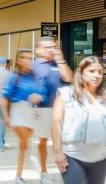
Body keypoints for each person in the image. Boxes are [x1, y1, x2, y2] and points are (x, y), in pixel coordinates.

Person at [52, 57, 106, 184]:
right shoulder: (66, 95)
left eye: (100, 72)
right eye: (92, 71)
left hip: (101, 159)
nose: (97, 75)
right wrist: (58, 151)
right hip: (73, 157)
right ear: (81, 72)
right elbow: (56, 123)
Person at [31, 37, 73, 184]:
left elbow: (69, 77)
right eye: (47, 47)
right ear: (38, 49)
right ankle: (43, 172)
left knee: (64, 140)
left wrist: (61, 60)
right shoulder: (33, 65)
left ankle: (67, 168)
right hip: (42, 109)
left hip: (60, 109)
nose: (51, 50)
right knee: (43, 141)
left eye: (53, 47)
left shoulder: (57, 63)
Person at [3, 49, 48, 184]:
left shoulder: (36, 77)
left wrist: (39, 96)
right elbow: (5, 96)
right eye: (23, 57)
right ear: (18, 60)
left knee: (37, 142)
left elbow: (44, 93)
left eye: (30, 58)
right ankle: (19, 175)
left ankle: (40, 173)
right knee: (24, 143)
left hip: (33, 112)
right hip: (18, 111)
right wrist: (6, 116)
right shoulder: (14, 77)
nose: (27, 61)